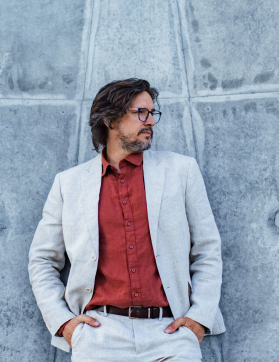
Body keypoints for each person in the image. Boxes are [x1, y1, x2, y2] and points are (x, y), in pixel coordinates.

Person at [28, 78, 225, 361]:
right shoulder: (68, 184)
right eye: (140, 112)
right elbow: (43, 259)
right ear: (110, 119)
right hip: (99, 336)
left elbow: (207, 249)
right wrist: (63, 323)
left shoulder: (181, 171)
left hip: (171, 334)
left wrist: (199, 319)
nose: (151, 122)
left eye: (152, 113)